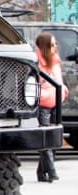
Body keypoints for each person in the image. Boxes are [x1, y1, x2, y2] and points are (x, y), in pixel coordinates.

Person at [36, 32, 69, 182]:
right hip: (43, 103)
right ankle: (51, 170)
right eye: (52, 44)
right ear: (44, 47)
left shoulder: (55, 61)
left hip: (56, 102)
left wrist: (63, 89)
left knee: (55, 136)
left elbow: (58, 81)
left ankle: (42, 172)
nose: (55, 47)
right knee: (45, 136)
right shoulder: (37, 63)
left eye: (56, 44)